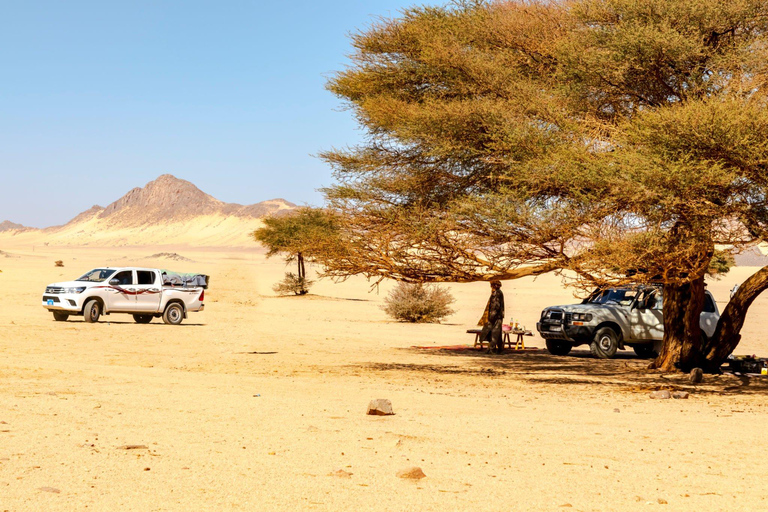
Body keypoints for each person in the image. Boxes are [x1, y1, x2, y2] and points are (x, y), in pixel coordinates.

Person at [479, 280, 505, 354]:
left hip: (495, 316)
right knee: (497, 333)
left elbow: (496, 306)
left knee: (494, 332)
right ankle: (500, 349)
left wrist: (492, 316)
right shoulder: (499, 292)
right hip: (498, 316)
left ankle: (492, 349)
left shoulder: (497, 293)